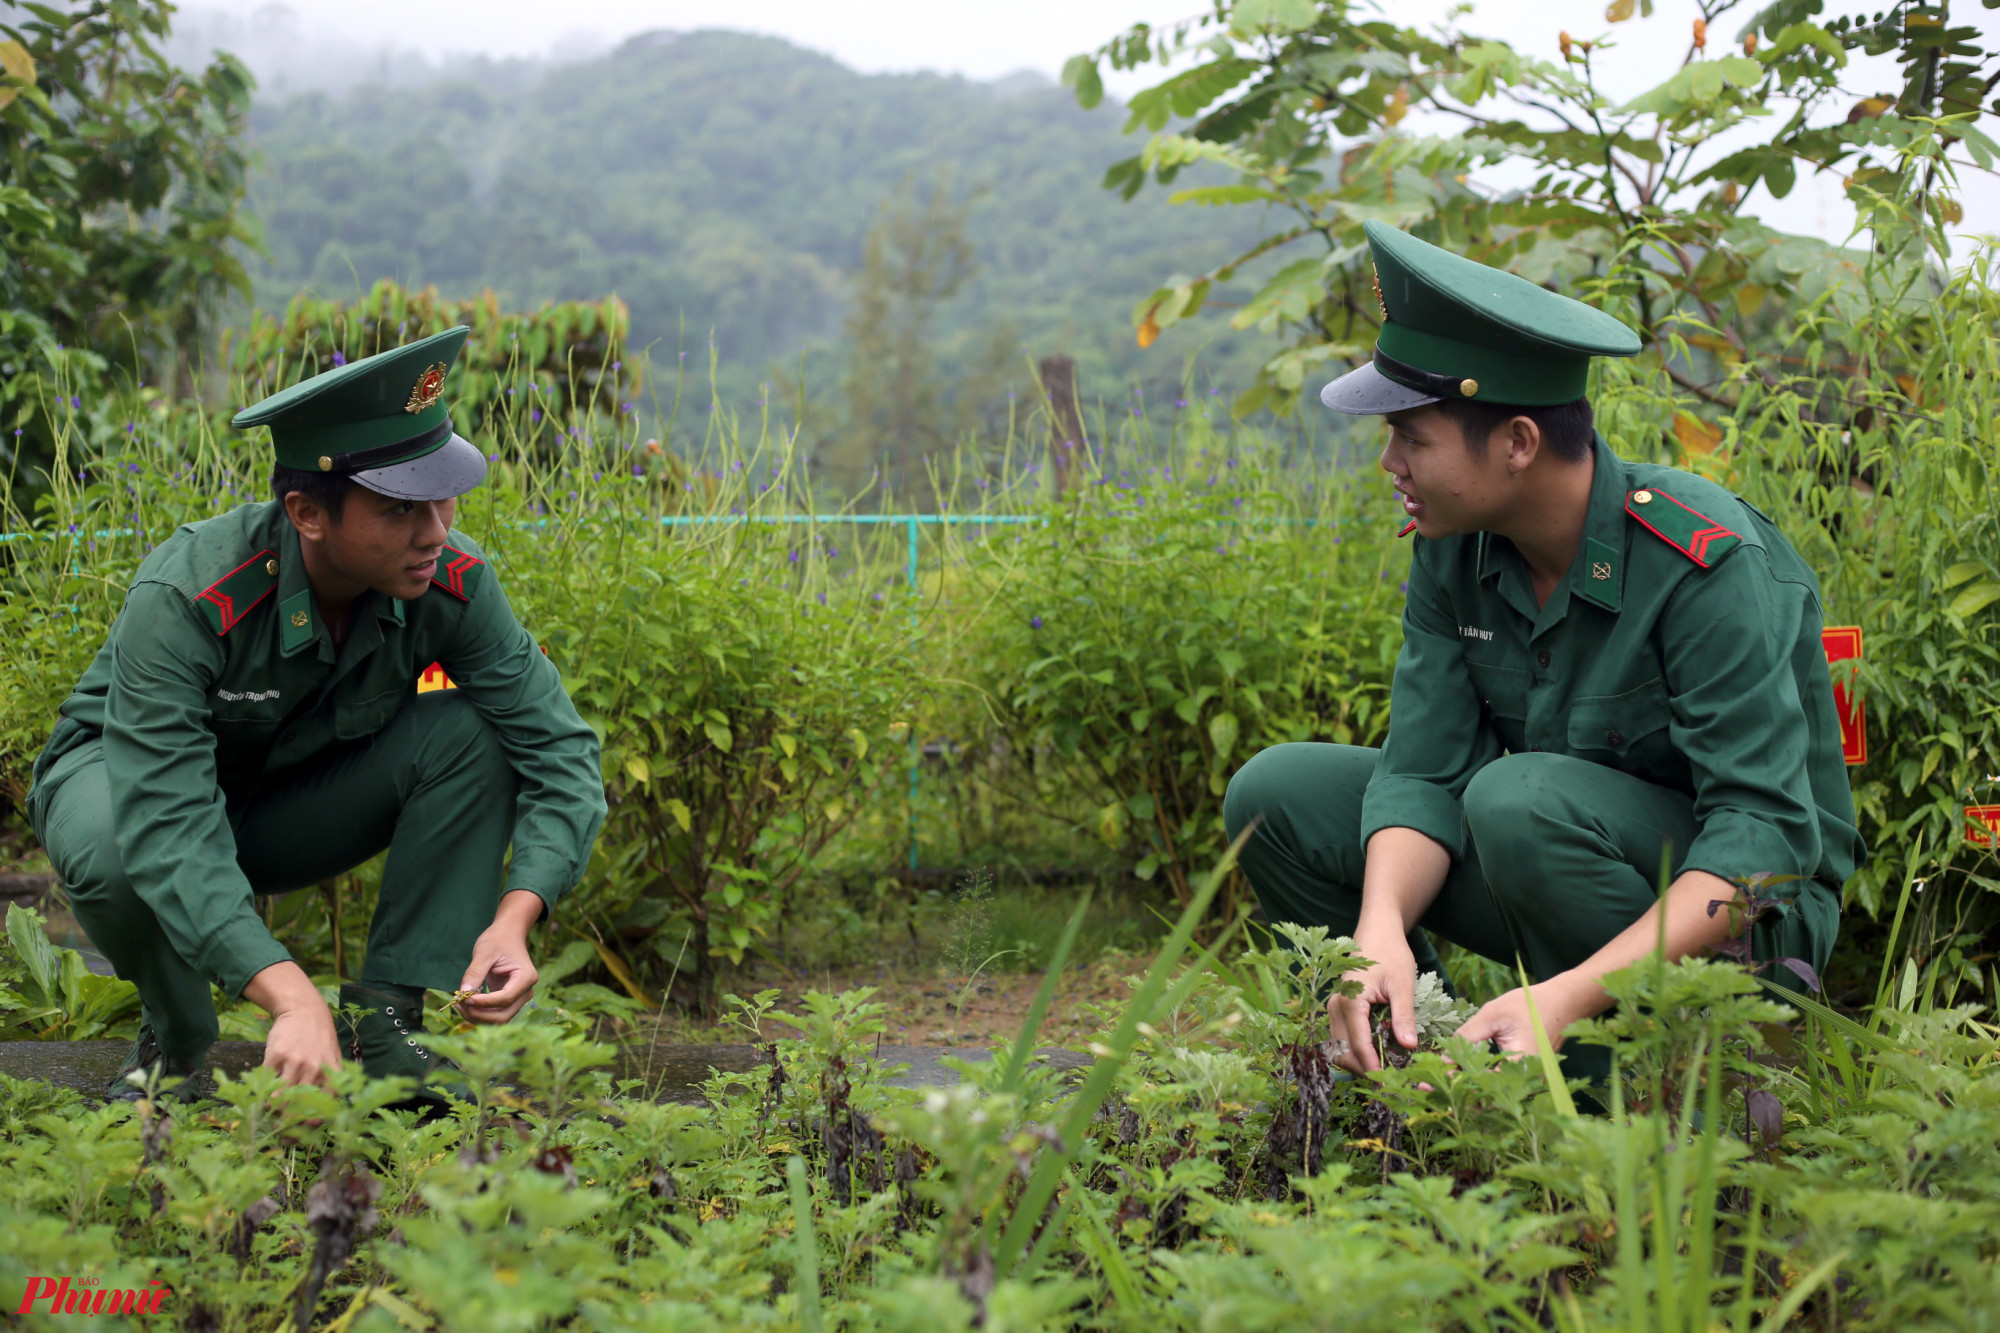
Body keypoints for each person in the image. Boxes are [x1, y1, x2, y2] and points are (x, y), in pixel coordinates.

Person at [1223, 221, 1864, 1084]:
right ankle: (1424, 1071)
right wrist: (1377, 932)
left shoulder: (1702, 563)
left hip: (1746, 923)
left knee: (1518, 799)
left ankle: (1652, 1094)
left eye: (1413, 438)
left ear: (1518, 443)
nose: (1390, 463)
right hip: (1557, 857)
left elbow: (1764, 837)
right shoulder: (1454, 544)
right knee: (1279, 793)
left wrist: (1563, 995)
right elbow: (1421, 770)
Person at [26, 326, 608, 1107]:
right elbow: (166, 817)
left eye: (442, 495)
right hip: (125, 788)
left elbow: (560, 754)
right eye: (402, 506)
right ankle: (177, 1045)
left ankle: (394, 1038)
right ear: (307, 511)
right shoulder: (191, 595)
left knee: (472, 732)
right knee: (120, 849)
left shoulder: (452, 583)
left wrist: (516, 916)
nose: (435, 529)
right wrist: (291, 994)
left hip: (274, 809)